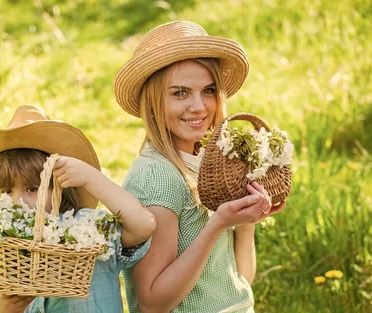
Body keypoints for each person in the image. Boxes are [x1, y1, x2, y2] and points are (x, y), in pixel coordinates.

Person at [113, 21, 288, 313]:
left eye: (208, 90)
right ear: (154, 103)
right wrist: (216, 225)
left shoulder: (212, 164)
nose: (199, 106)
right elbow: (153, 302)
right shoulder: (159, 177)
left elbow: (239, 282)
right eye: (180, 93)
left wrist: (245, 225)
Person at [0, 105, 156, 313]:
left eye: (33, 189)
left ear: (59, 188)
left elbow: (143, 225)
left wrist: (90, 177)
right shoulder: (5, 253)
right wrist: (9, 308)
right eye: (6, 191)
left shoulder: (86, 229)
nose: (18, 202)